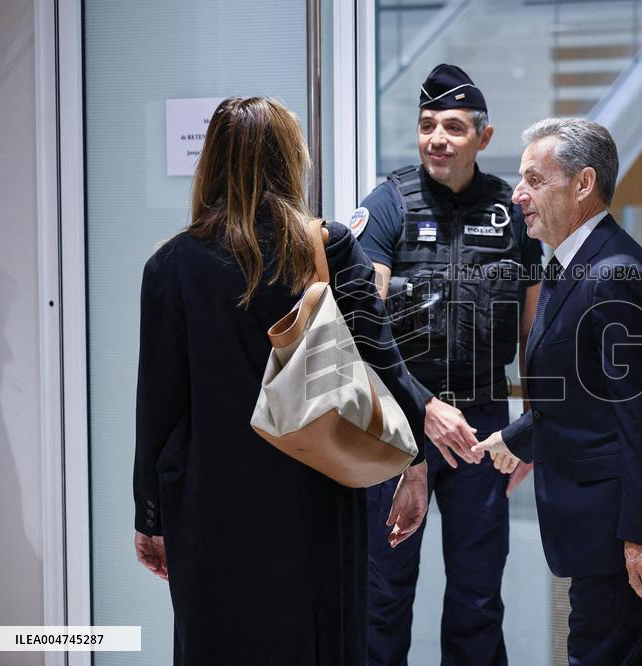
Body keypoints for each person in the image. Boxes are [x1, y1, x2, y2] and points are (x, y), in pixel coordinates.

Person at [132, 96, 429, 665]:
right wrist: (413, 466)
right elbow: (384, 362)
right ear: (292, 159)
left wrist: (150, 516)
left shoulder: (170, 266)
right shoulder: (330, 246)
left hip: (209, 505)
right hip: (316, 492)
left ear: (211, 163)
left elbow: (158, 407)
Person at [474, 117, 642, 666]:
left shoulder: (615, 273)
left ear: (583, 185)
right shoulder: (571, 266)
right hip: (600, 532)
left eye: (534, 180)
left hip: (623, 538)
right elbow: (584, 395)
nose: (518, 194)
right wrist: (516, 439)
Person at [355, 64, 543, 665]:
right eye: (428, 124)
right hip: (396, 422)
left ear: (483, 139)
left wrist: (531, 428)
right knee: (382, 591)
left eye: (454, 126)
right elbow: (365, 325)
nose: (438, 137)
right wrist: (423, 407)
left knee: (478, 593)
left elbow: (534, 325)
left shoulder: (512, 213)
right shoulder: (388, 204)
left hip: (484, 422)